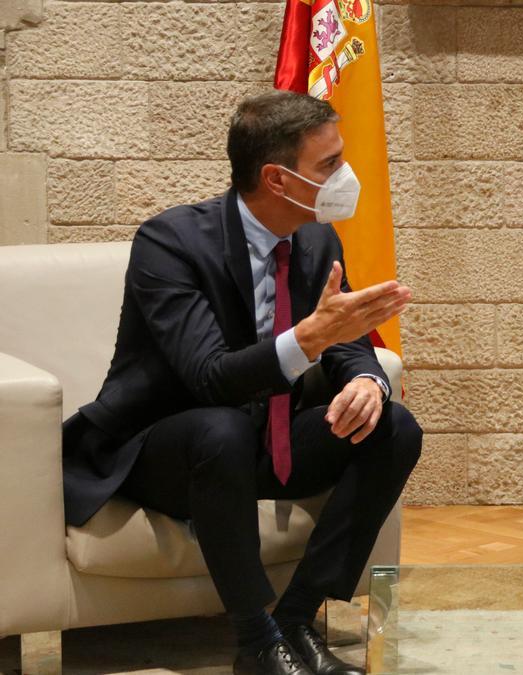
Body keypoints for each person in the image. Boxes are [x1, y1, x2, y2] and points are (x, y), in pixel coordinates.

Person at [60, 90, 422, 675]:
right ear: (277, 179)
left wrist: (364, 381)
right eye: (329, 164)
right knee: (221, 428)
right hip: (167, 450)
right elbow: (210, 377)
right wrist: (310, 338)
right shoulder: (169, 243)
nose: (345, 176)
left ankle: (299, 619)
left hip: (263, 441)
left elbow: (345, 336)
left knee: (394, 425)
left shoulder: (316, 237)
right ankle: (256, 641)